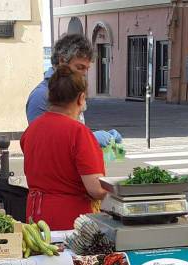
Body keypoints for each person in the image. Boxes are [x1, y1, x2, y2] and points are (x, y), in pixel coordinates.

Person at [20, 65, 107, 230]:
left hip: (35, 215)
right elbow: (96, 189)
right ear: (81, 98)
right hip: (71, 220)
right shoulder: (78, 132)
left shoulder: (31, 130)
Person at [26, 34, 121, 148]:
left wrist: (89, 137)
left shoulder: (73, 90)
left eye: (86, 69)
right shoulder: (40, 95)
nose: (84, 74)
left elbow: (72, 129)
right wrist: (89, 138)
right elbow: (43, 144)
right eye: (79, 67)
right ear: (62, 61)